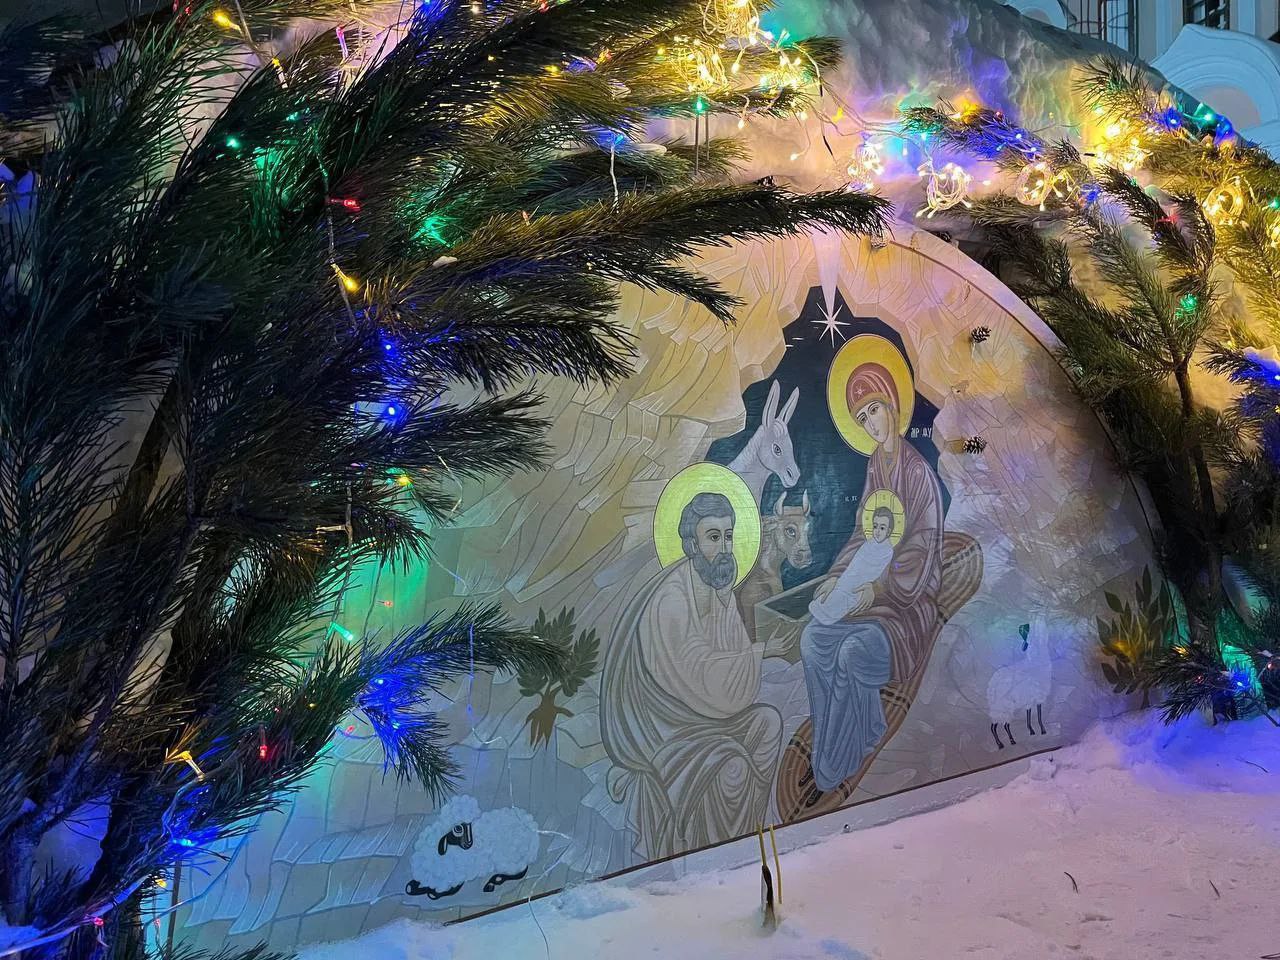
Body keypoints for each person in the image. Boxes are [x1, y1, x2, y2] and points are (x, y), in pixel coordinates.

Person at [601, 492, 782, 860]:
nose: (724, 547)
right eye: (713, 537)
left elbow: (727, 664)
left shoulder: (718, 587)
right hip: (669, 727)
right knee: (732, 767)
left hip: (711, 714)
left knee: (769, 723)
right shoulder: (671, 600)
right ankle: (710, 852)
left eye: (728, 536)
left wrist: (740, 631)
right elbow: (698, 671)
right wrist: (759, 653)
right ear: (692, 544)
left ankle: (745, 834)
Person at [800, 361, 944, 792]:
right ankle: (831, 744)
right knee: (812, 640)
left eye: (874, 409)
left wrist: (879, 587)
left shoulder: (917, 473)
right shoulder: (876, 467)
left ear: (893, 405)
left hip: (906, 608)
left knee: (851, 652)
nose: (871, 423)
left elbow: (921, 550)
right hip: (867, 596)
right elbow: (863, 535)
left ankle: (839, 759)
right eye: (862, 418)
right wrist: (837, 576)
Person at [808, 505, 895, 626]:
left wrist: (868, 582)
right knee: (832, 594)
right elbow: (855, 562)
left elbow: (879, 572)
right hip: (850, 577)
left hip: (861, 584)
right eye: (875, 526)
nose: (877, 531)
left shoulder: (888, 551)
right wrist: (841, 577)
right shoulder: (868, 544)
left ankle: (829, 616)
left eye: (882, 528)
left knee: (842, 600)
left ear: (889, 531)